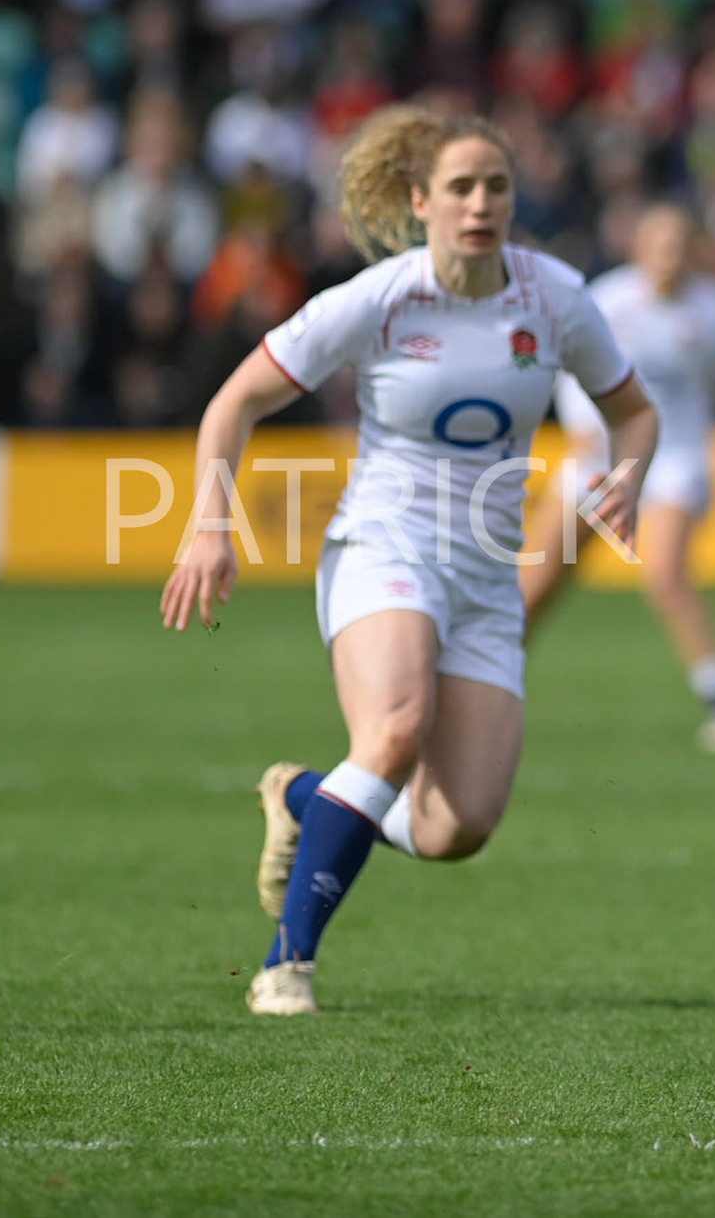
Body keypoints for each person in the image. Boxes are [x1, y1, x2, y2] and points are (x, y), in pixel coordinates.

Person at [159, 103, 658, 1015]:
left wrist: (626, 476)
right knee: (392, 733)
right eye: (461, 188)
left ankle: (305, 795)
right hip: (383, 545)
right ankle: (286, 963)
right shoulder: (380, 297)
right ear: (421, 201)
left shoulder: (553, 296)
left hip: (483, 579)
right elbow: (234, 402)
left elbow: (635, 410)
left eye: (497, 186)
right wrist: (208, 524)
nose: (481, 203)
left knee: (456, 825)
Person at [520, 201, 715, 753]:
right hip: (596, 462)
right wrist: (584, 426)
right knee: (532, 587)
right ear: (638, 248)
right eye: (659, 245)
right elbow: (570, 369)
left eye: (680, 245)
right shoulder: (606, 299)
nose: (669, 257)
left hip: (676, 460)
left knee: (664, 575)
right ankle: (485, 695)